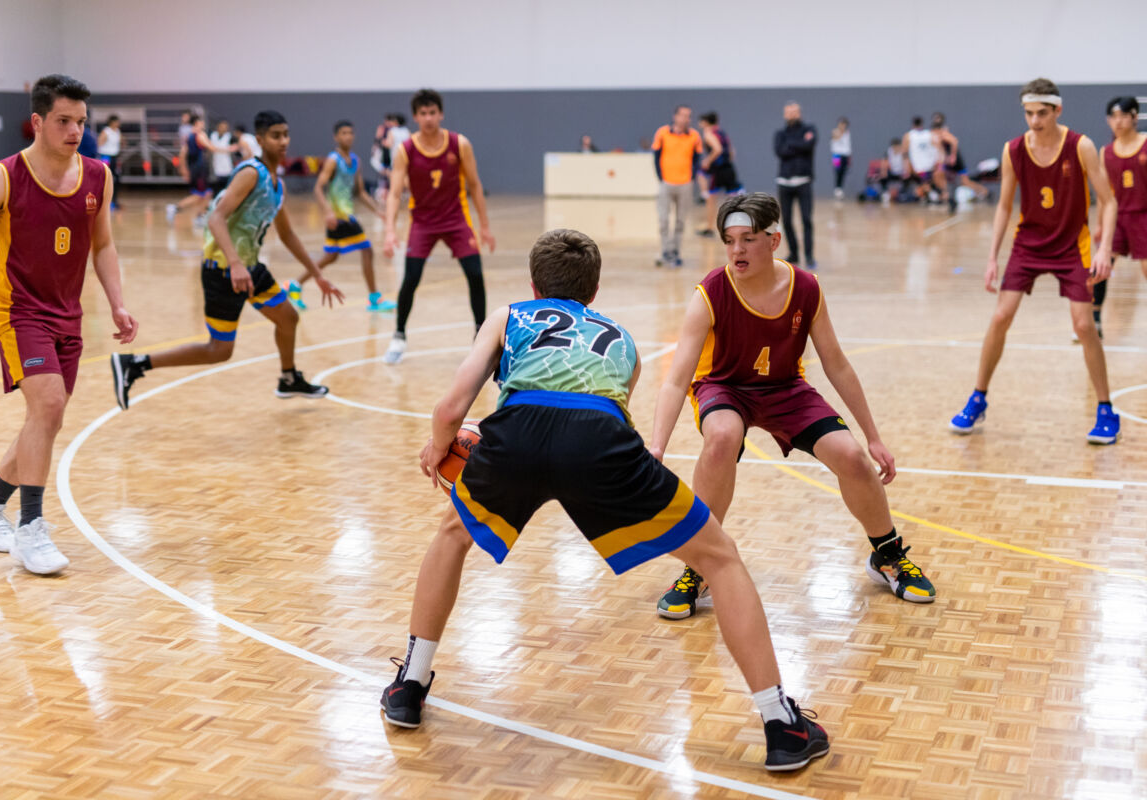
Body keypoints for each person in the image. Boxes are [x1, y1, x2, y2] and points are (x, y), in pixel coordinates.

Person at [379, 228, 830, 772]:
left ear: (532, 284)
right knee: (720, 557)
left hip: (517, 431)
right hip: (600, 441)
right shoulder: (622, 339)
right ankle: (780, 723)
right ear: (593, 291)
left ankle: (410, 684)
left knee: (452, 536)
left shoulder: (507, 316)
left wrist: (437, 445)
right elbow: (611, 412)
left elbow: (454, 404)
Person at [650, 192, 936, 618]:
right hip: (725, 388)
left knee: (853, 458)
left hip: (786, 388)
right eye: (729, 240)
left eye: (748, 239)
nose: (737, 250)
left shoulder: (805, 288)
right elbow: (676, 380)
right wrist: (657, 446)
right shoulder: (711, 291)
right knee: (722, 437)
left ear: (774, 241)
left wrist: (873, 437)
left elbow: (836, 365)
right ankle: (699, 566)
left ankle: (887, 555)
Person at [0, 74, 137, 574]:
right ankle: (31, 528)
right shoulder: (4, 176)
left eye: (80, 121)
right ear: (37, 121)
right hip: (17, 312)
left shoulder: (98, 175)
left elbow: (104, 246)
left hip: (67, 315)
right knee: (49, 405)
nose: (75, 130)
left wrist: (117, 303)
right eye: (63, 121)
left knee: (45, 420)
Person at [110, 110, 344, 409]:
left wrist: (317, 275)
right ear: (260, 139)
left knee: (288, 317)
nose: (283, 141)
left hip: (250, 269)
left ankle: (288, 379)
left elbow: (287, 235)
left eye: (285, 134)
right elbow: (216, 218)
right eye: (275, 135)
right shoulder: (251, 173)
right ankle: (135, 363)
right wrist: (234, 262)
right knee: (219, 350)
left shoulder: (276, 184)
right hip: (223, 270)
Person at [948, 78, 1119, 444]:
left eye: (1042, 113)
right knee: (1000, 316)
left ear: (1058, 110)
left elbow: (1108, 200)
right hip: (1028, 244)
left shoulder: (1081, 146)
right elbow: (1004, 205)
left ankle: (1106, 409)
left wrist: (1104, 249)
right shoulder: (1014, 150)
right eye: (1028, 113)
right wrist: (992, 257)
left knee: (1084, 326)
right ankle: (978, 398)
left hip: (1072, 245)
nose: (1035, 120)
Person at [381, 89, 495, 365]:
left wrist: (485, 226)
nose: (428, 118)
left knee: (475, 275)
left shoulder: (459, 144)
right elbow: (395, 193)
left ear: (441, 114)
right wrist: (389, 231)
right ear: (416, 117)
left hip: (456, 219)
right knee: (411, 278)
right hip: (422, 221)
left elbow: (475, 185)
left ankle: (481, 336)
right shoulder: (405, 150)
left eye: (433, 112)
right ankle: (399, 335)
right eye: (423, 113)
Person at [287, 120, 395, 313]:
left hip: (346, 215)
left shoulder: (355, 161)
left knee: (331, 256)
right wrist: (327, 212)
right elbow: (318, 188)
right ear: (336, 137)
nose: (348, 137)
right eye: (343, 133)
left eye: (351, 133)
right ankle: (374, 299)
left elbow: (360, 192)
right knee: (367, 250)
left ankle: (294, 285)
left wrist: (378, 210)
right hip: (338, 217)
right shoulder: (332, 160)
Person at [1091, 96, 1147, 339]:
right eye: (1114, 117)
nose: (1119, 121)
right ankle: (1094, 319)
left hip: (1143, 216)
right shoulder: (1106, 153)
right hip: (1117, 218)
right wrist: (1100, 224)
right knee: (1100, 267)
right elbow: (1105, 194)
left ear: (1135, 117)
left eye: (1124, 115)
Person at [651, 105, 703, 267]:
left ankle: (676, 252)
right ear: (675, 117)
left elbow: (697, 159)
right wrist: (661, 177)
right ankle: (666, 250)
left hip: (685, 184)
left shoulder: (694, 136)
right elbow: (656, 156)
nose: (686, 119)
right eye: (683, 115)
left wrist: (691, 177)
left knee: (681, 221)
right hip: (667, 183)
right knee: (664, 219)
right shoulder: (662, 133)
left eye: (689, 116)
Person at [774, 102, 817, 269]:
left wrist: (791, 144)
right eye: (789, 112)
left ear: (799, 113)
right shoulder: (780, 133)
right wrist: (799, 144)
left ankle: (809, 256)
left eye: (795, 111)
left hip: (804, 181)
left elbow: (809, 145)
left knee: (806, 219)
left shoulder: (809, 129)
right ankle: (793, 253)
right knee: (786, 220)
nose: (792, 114)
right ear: (785, 114)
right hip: (784, 182)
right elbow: (780, 151)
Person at [930, 112, 990, 209]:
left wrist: (953, 156)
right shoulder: (937, 138)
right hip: (949, 161)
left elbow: (954, 141)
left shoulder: (943, 134)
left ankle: (985, 192)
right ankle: (948, 196)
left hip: (956, 161)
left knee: (963, 181)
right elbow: (941, 151)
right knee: (942, 176)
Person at [696, 111, 742, 237]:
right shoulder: (722, 133)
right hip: (728, 169)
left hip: (718, 170)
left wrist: (708, 160)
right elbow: (732, 151)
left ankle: (710, 228)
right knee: (734, 200)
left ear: (705, 122)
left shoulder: (708, 133)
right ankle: (737, 228)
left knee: (711, 199)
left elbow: (718, 149)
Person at [166, 114, 213, 223]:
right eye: (202, 122)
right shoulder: (197, 136)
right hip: (198, 170)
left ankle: (199, 217)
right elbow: (182, 154)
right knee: (200, 195)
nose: (203, 124)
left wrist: (184, 170)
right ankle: (175, 208)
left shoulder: (190, 136)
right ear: (197, 123)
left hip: (198, 169)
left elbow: (183, 154)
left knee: (207, 194)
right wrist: (228, 149)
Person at [902, 116, 945, 202]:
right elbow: (938, 148)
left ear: (913, 124)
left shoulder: (908, 136)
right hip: (929, 166)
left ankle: (935, 195)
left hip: (918, 168)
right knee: (926, 183)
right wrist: (939, 163)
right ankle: (935, 195)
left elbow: (904, 153)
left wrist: (906, 167)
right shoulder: (929, 134)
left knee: (924, 184)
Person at [97, 114, 122, 209]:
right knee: (106, 178)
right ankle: (104, 201)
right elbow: (99, 144)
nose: (119, 123)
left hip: (115, 156)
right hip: (106, 157)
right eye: (117, 121)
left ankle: (114, 200)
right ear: (112, 122)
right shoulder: (106, 131)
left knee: (117, 178)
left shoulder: (118, 131)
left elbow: (119, 142)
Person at [208, 118, 235, 196]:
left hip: (227, 166)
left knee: (226, 189)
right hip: (215, 166)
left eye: (225, 127)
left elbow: (234, 148)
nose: (224, 128)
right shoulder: (213, 135)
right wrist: (225, 149)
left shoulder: (230, 137)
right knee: (216, 189)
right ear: (218, 126)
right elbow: (211, 148)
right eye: (222, 126)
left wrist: (217, 149)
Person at [830, 117, 852, 200]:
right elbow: (836, 138)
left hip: (845, 155)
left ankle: (840, 189)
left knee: (843, 171)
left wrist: (850, 156)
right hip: (836, 155)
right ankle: (836, 189)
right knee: (837, 171)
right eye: (842, 124)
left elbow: (848, 146)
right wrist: (841, 132)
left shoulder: (848, 133)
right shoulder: (835, 131)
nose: (843, 126)